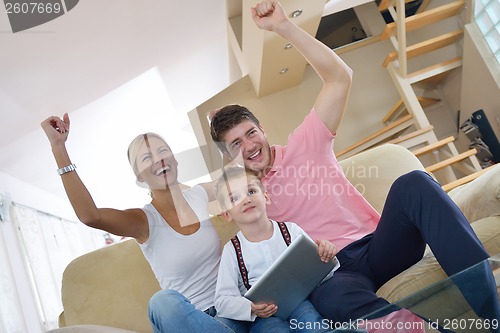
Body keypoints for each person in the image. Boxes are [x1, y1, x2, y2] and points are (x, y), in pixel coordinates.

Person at [209, 1, 500, 332]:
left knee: (414, 183)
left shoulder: (306, 142)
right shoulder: (247, 196)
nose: (249, 145)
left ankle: (492, 314)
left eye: (251, 133)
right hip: (333, 273)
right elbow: (204, 198)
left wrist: (283, 26)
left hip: (380, 246)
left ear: (262, 129)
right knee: (329, 300)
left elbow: (339, 78)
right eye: (235, 144)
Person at [40, 113, 247, 333]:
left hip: (231, 310)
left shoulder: (198, 195)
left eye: (162, 151)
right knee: (162, 302)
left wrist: (219, 126)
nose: (158, 160)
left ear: (175, 160)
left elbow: (233, 177)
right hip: (189, 323)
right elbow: (90, 215)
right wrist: (58, 147)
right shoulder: (144, 221)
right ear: (140, 177)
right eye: (147, 158)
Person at [214, 166, 339, 333]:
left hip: (299, 303)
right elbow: (222, 300)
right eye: (235, 198)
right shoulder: (232, 250)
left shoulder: (291, 231)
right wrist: (250, 307)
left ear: (266, 197)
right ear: (227, 215)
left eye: (251, 191)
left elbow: (320, 272)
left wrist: (325, 254)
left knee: (312, 323)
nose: (246, 199)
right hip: (263, 319)